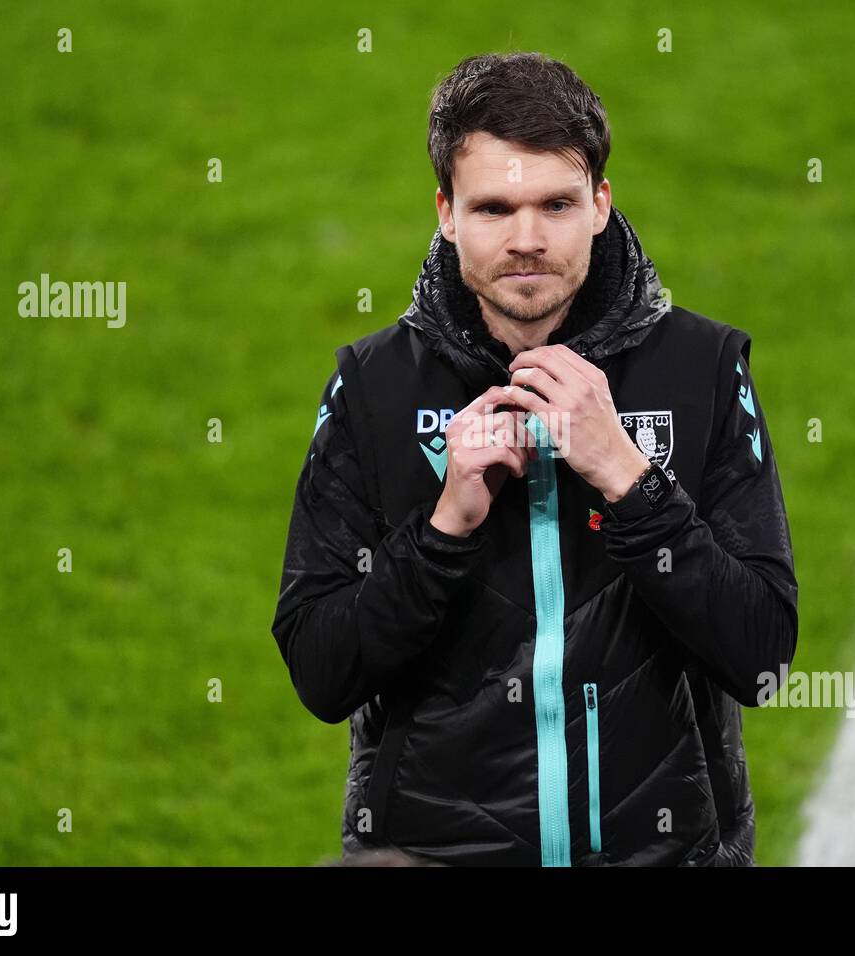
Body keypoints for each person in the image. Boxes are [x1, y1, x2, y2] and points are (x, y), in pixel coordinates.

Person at [271, 51, 798, 866]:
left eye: (556, 203)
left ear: (600, 203)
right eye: (494, 208)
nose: (526, 241)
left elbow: (762, 656)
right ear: (446, 213)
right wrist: (444, 531)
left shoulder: (700, 370)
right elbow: (321, 670)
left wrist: (629, 478)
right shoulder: (373, 389)